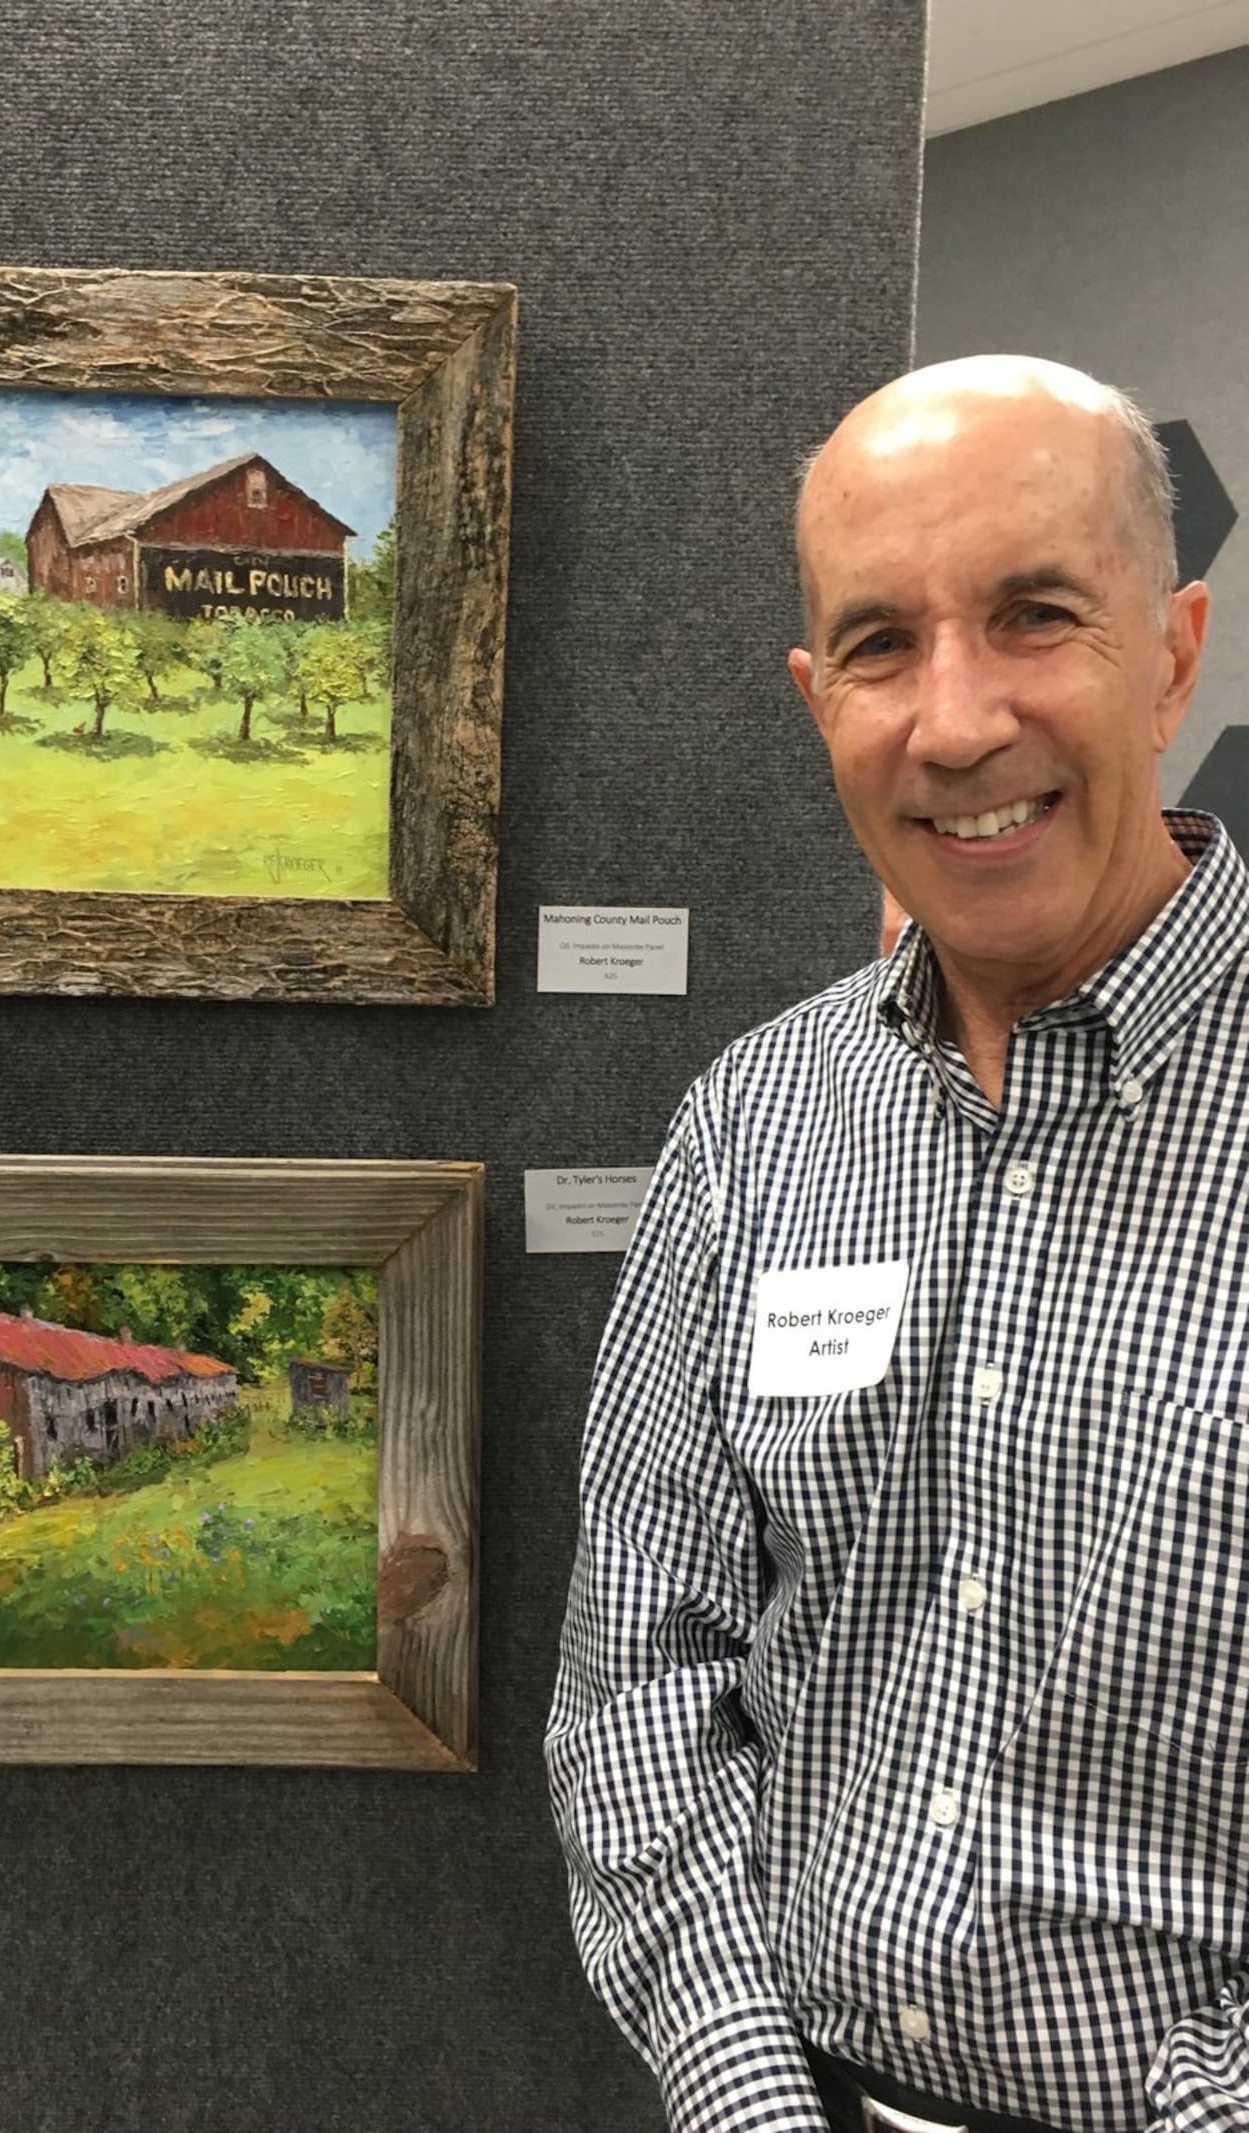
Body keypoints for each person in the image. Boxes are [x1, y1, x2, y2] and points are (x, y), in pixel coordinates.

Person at [544, 355, 1249, 2133]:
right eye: (881, 645)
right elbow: (642, 1683)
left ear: (1172, 652)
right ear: (816, 696)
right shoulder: (753, 1125)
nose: (952, 722)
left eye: (1033, 616)